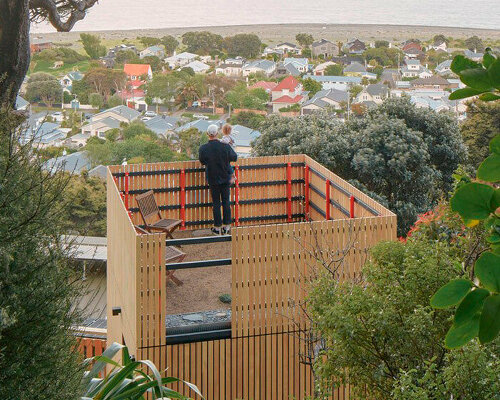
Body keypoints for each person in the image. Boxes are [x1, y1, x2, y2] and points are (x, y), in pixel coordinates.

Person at [199, 124, 237, 235]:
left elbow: (203, 161)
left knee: (216, 203)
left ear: (207, 134)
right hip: (225, 177)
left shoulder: (203, 148)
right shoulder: (225, 146)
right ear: (217, 133)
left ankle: (217, 227)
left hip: (212, 178)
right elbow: (234, 157)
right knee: (226, 201)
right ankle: (227, 227)